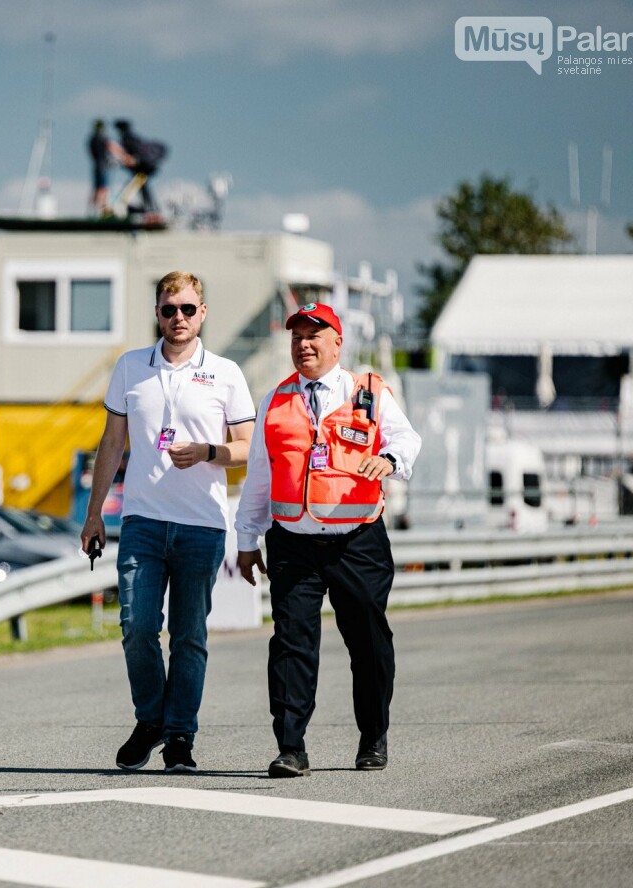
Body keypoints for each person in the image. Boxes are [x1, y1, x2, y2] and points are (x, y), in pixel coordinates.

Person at [234, 302, 421, 777]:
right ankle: (291, 747)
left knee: (369, 642)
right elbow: (260, 472)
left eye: (315, 336)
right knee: (292, 644)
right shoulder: (275, 401)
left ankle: (373, 736)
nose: (304, 344)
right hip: (293, 541)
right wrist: (247, 537)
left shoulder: (368, 392)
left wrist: (392, 460)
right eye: (297, 336)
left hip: (357, 540)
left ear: (338, 343)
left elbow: (406, 438)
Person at [81, 271, 256, 773]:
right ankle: (150, 719)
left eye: (187, 309)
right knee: (137, 628)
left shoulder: (225, 372)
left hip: (202, 523)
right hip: (142, 520)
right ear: (156, 313)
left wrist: (209, 451)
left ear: (203, 313)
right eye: (168, 309)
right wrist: (94, 514)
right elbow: (112, 443)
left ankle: (180, 735)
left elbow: (248, 447)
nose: (177, 318)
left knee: (188, 637)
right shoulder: (131, 366)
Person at [113, 119, 167, 215]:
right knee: (143, 189)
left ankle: (151, 210)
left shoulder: (127, 139)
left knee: (135, 189)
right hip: (144, 168)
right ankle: (151, 210)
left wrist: (124, 162)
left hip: (141, 168)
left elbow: (131, 157)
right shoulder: (133, 138)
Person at [87, 119, 127, 216]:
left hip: (97, 166)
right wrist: (125, 156)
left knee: (96, 189)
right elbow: (112, 147)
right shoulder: (102, 138)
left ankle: (92, 211)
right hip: (103, 166)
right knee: (103, 189)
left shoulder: (92, 139)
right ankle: (102, 211)